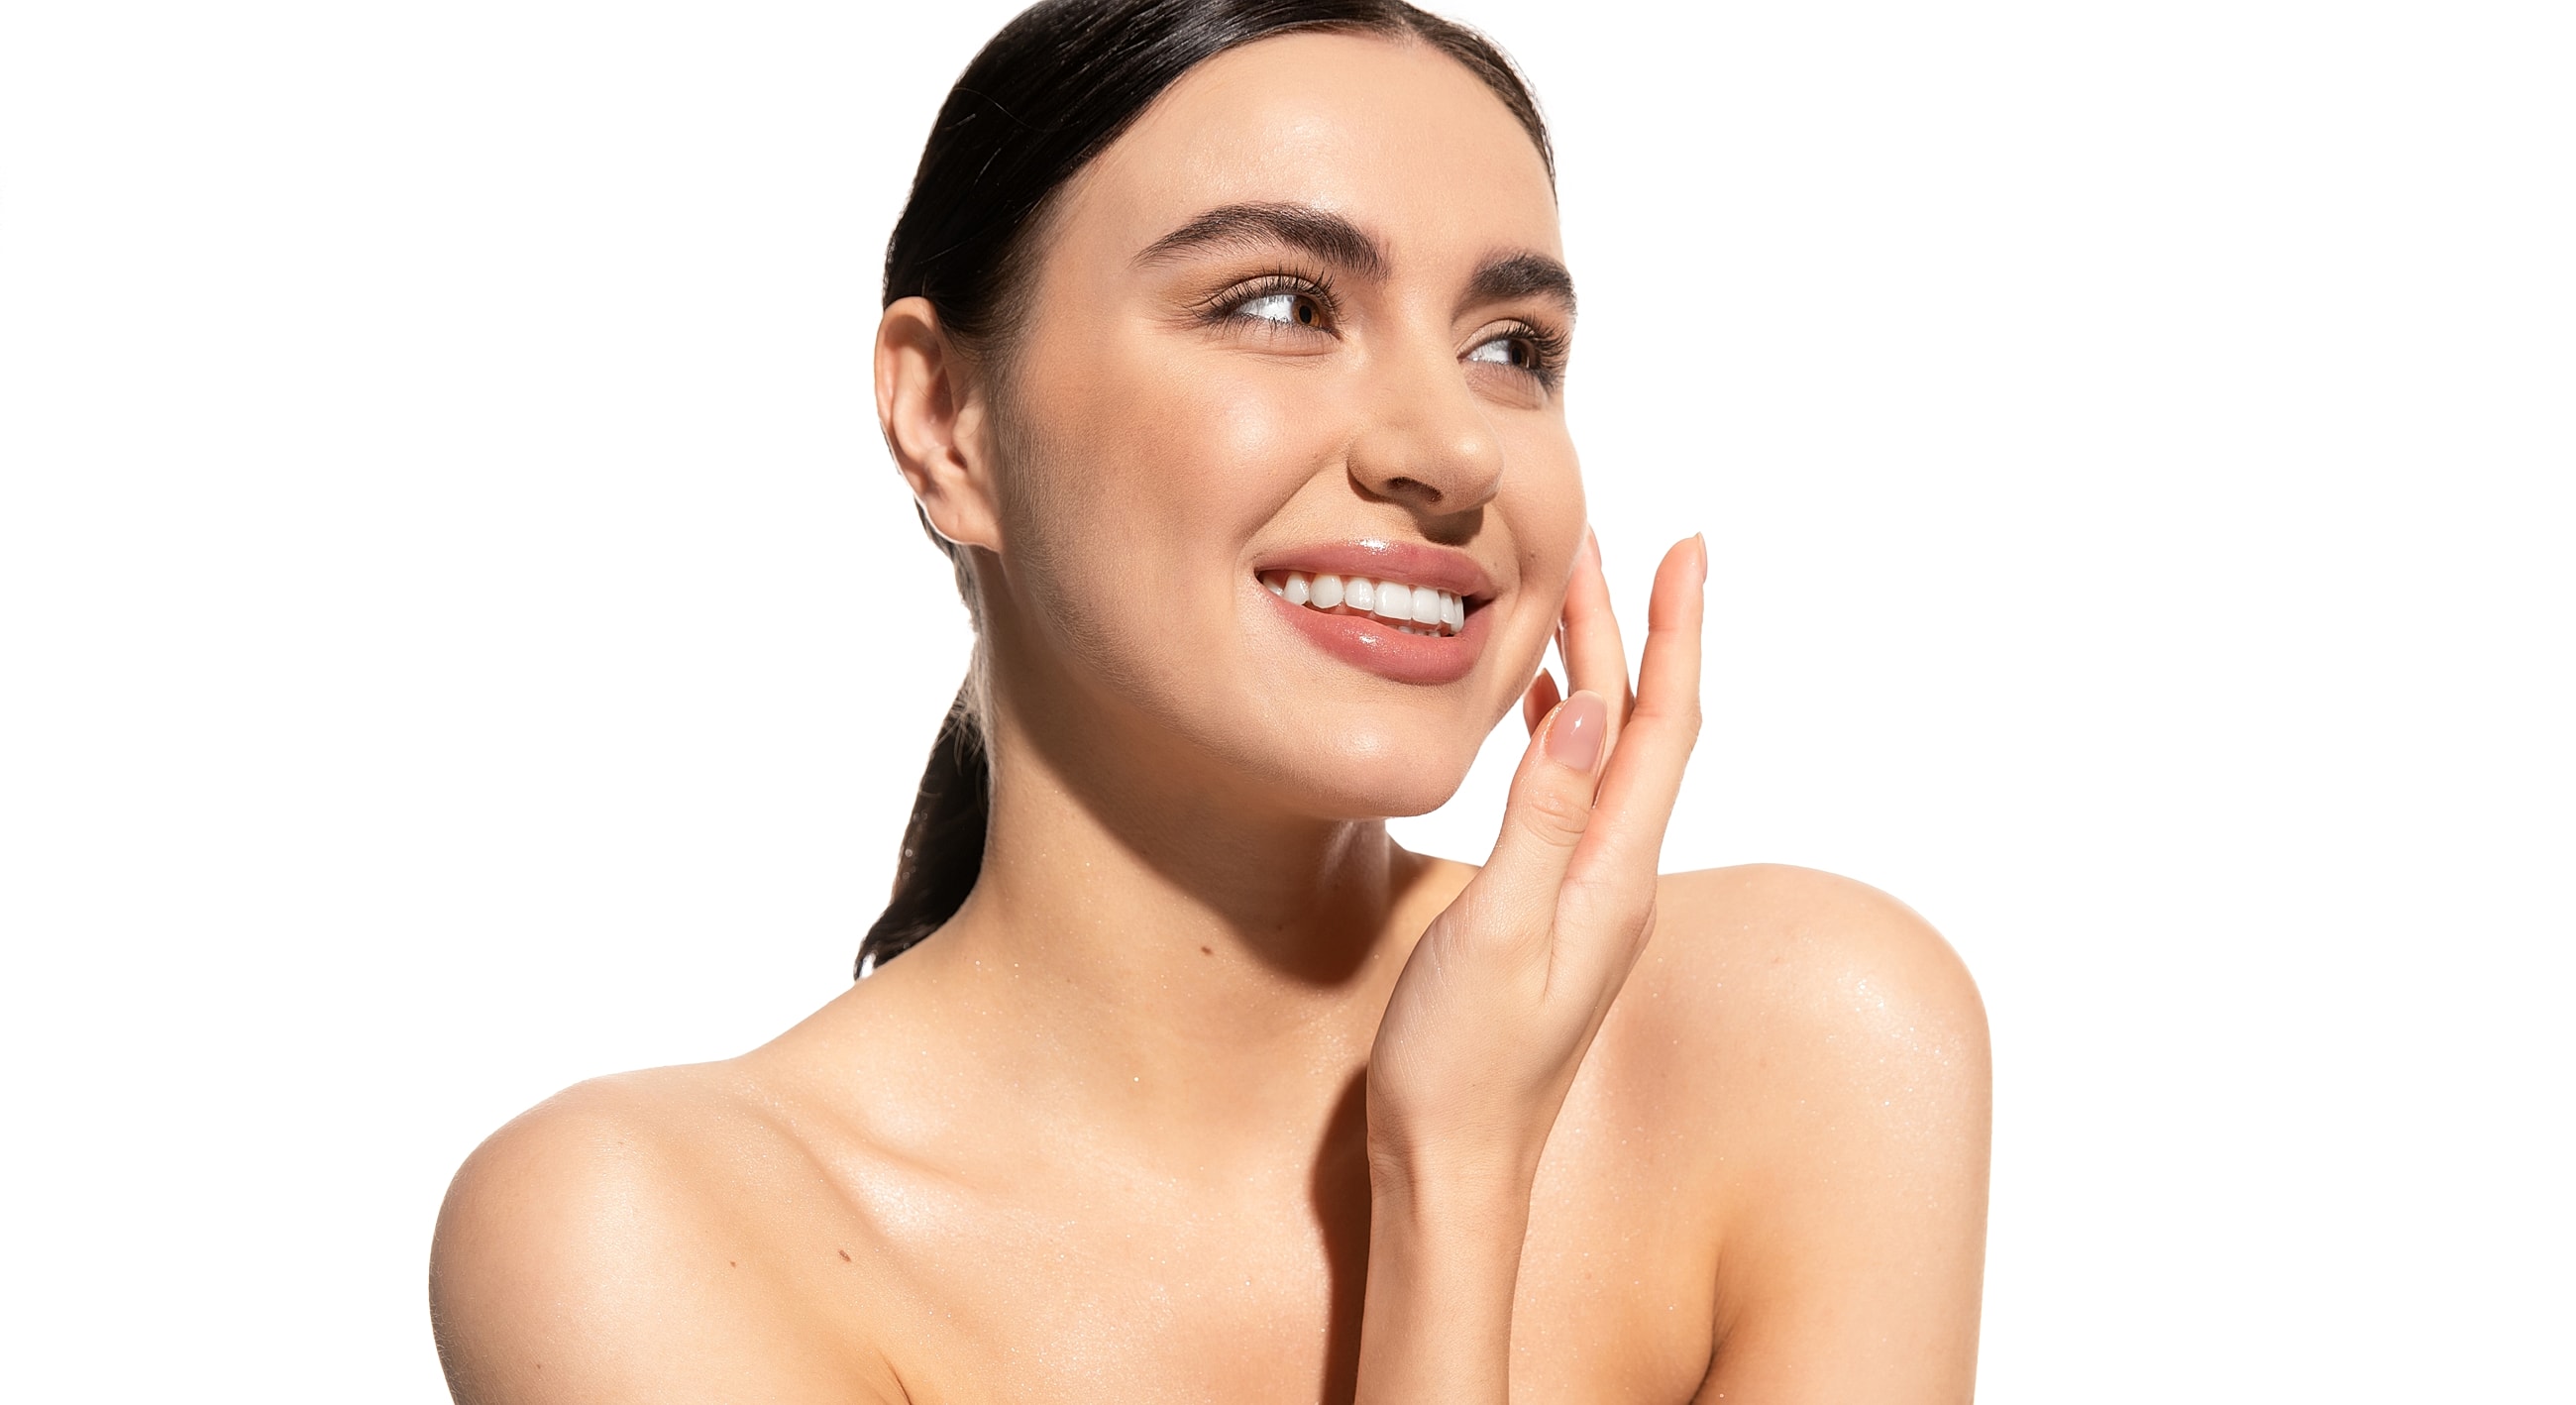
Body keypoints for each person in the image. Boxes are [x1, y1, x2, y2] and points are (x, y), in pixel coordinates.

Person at [428, 1, 1991, 1399]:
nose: (1450, 448)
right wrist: (1450, 1180)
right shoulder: (645, 1233)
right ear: (946, 417)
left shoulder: (1808, 1043)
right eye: (1277, 304)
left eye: (1513, 345)